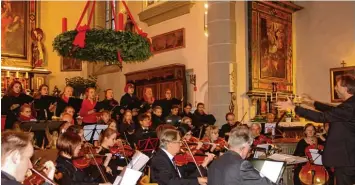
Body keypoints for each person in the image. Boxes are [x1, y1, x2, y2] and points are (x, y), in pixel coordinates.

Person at [276, 74, 355, 185]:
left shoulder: (350, 107)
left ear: (345, 87)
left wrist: (294, 108)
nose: (335, 88)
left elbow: (321, 117)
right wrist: (312, 103)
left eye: (337, 85)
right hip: (346, 159)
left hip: (346, 160)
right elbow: (331, 109)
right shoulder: (349, 105)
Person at [208, 126, 275, 185]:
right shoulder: (242, 165)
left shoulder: (215, 162)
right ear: (244, 146)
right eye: (249, 147)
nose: (249, 150)